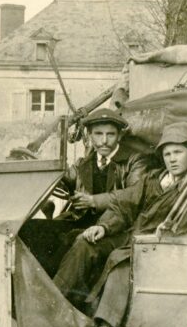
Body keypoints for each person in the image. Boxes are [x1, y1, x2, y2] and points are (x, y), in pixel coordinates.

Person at [54, 121, 187, 327]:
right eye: (167, 153)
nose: (172, 159)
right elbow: (124, 205)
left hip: (162, 248)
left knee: (120, 262)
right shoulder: (155, 179)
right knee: (85, 243)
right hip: (133, 238)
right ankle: (54, 306)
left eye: (178, 152)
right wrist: (102, 226)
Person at [19, 108, 148, 276]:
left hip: (114, 226)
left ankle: (57, 290)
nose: (104, 141)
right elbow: (64, 176)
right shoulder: (83, 163)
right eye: (98, 134)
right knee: (29, 228)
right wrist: (38, 165)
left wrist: (94, 201)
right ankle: (39, 282)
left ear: (120, 136)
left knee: (72, 240)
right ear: (89, 135)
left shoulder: (135, 161)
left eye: (110, 135)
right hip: (79, 220)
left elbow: (133, 196)